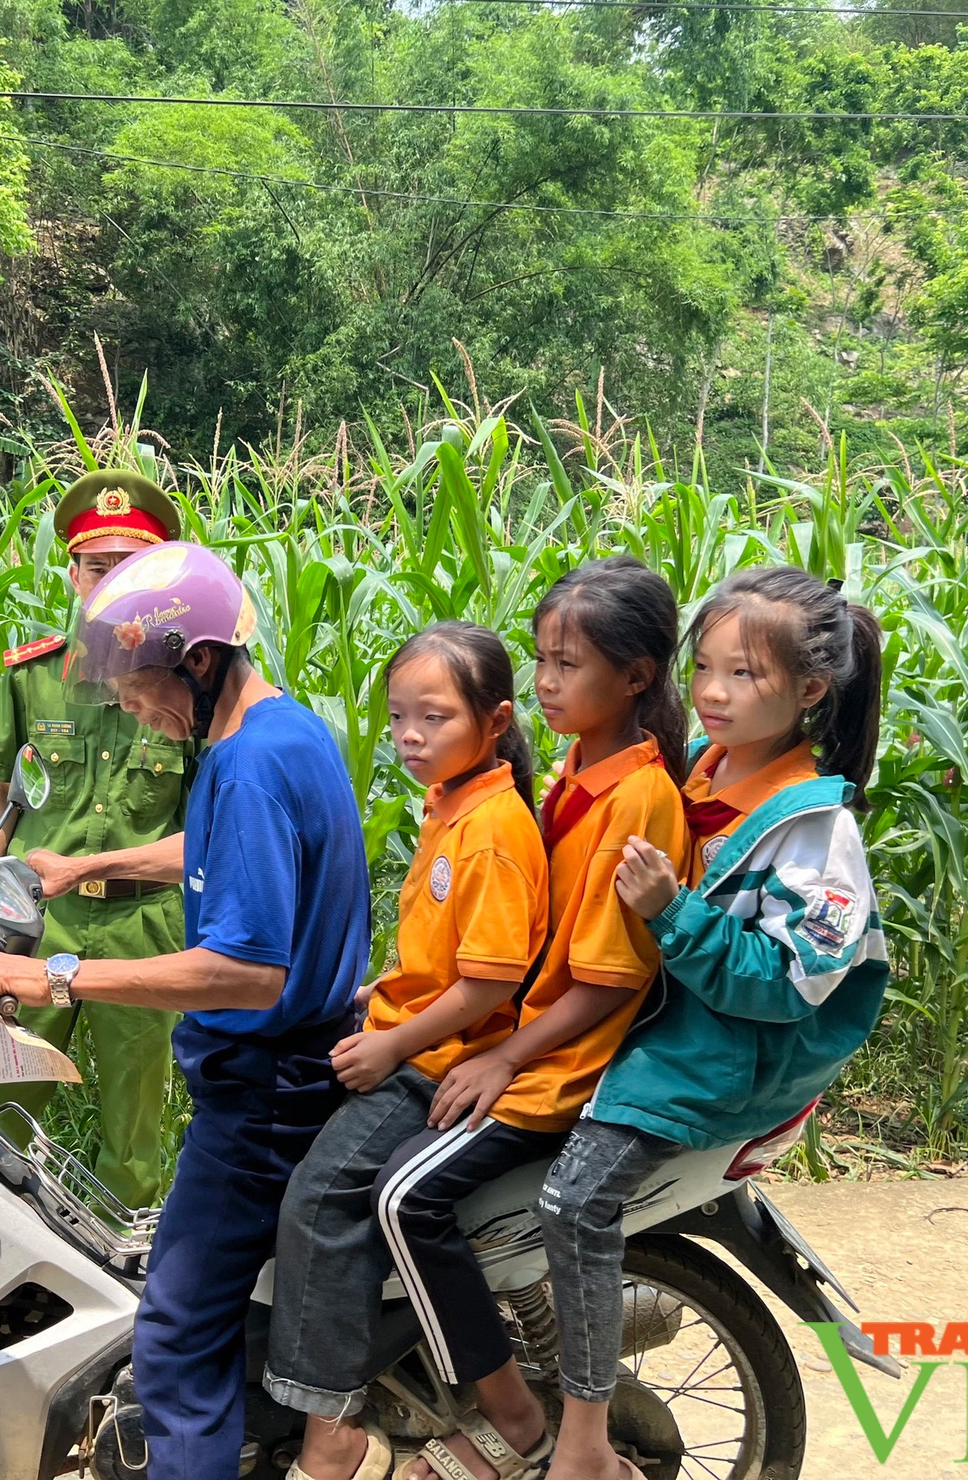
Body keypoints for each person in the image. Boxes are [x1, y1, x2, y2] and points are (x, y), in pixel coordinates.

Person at [0, 540, 372, 1480]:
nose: (131, 708)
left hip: (264, 1091)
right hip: (292, 1067)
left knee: (176, 1339)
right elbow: (218, 850)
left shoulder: (247, 767)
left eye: (137, 685)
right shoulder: (283, 734)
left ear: (196, 660)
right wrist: (89, 865)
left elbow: (244, 971)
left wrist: (58, 976)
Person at [531, 566, 889, 1480]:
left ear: (811, 692)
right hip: (663, 1024)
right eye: (707, 670)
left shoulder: (815, 829)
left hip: (719, 1059)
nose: (716, 694)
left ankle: (580, 1439)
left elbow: (786, 982)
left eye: (746, 676)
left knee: (574, 1204)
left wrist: (671, 912)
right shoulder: (709, 767)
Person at [365, 560, 692, 1480]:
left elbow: (606, 980)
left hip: (563, 1060)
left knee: (403, 1200)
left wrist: (504, 1057)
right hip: (523, 1038)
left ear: (634, 678)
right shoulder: (577, 770)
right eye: (543, 660)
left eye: (569, 664)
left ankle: (505, 1414)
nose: (546, 681)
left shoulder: (641, 799)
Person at [262, 622, 550, 1480]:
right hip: (416, 1034)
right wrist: (377, 995)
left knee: (320, 1202)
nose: (411, 737)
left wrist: (390, 1047)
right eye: (397, 719)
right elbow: (443, 955)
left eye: (435, 717)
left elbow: (487, 985)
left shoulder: (492, 828)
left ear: (495, 722)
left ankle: (330, 1430)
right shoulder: (453, 806)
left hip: (441, 1057)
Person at [0, 470, 195, 1207]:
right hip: (42, 922)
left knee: (134, 1119)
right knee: (3, 1099)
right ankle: (0, 1253)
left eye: (132, 566)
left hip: (145, 924)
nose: (112, 581)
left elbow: (209, 822)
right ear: (71, 573)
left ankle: (125, 1272)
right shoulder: (33, 677)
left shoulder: (186, 684)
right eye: (99, 566)